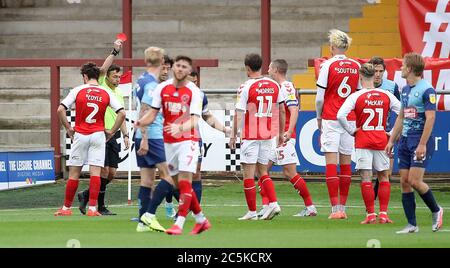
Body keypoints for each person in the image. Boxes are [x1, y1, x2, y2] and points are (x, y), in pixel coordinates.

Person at [136, 55, 212, 235]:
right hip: (169, 142)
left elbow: (195, 119)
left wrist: (181, 127)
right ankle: (201, 219)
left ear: (189, 71)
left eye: (184, 67)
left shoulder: (194, 91)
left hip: (188, 140)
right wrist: (141, 122)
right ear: (173, 68)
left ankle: (178, 223)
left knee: (185, 181)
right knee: (178, 183)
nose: (179, 69)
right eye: (177, 65)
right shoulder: (162, 88)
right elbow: (153, 113)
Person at [54, 62, 126, 217]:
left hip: (80, 134)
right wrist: (112, 131)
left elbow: (60, 109)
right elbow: (122, 113)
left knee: (74, 173)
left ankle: (66, 208)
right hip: (98, 135)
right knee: (95, 173)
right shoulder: (106, 92)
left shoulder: (77, 90)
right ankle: (93, 209)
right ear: (98, 76)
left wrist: (68, 128)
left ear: (85, 76)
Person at [385, 53, 444, 234]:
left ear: (410, 69)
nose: (401, 68)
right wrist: (391, 140)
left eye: (403, 65)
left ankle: (436, 210)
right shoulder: (405, 89)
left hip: (419, 140)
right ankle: (412, 224)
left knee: (415, 180)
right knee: (404, 181)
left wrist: (422, 144)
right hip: (404, 140)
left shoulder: (427, 90)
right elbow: (401, 117)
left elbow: (431, 117)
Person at [337, 63, 400, 224]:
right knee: (384, 176)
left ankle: (370, 215)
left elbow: (340, 115)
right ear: (375, 77)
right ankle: (384, 214)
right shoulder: (386, 94)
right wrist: (392, 132)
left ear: (360, 77)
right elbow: (403, 112)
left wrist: (352, 130)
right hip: (381, 139)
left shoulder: (356, 96)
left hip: (363, 139)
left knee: (366, 177)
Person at [257, 59, 317, 218]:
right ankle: (267, 205)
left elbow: (294, 109)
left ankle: (310, 207)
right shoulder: (279, 87)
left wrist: (288, 132)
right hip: (275, 137)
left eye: (270, 67)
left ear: (275, 69)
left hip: (283, 138)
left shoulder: (286, 87)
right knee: (262, 170)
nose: (268, 70)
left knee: (289, 173)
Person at [229, 53, 285, 221]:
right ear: (261, 66)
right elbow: (282, 110)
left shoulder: (246, 86)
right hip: (268, 134)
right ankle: (273, 203)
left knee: (248, 174)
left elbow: (239, 113)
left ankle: (252, 212)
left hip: (251, 135)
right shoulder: (274, 85)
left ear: (247, 68)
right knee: (263, 171)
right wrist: (281, 133)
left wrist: (233, 135)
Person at [77, 39, 130, 216]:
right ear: (106, 77)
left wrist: (125, 135)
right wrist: (115, 51)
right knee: (103, 170)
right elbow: (103, 68)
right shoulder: (101, 86)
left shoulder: (119, 93)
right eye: (114, 76)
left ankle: (85, 194)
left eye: (119, 76)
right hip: (100, 133)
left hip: (113, 134)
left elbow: (120, 116)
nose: (117, 79)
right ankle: (99, 206)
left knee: (112, 173)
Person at [315, 29, 360, 219]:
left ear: (332, 47)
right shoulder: (356, 65)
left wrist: (319, 118)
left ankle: (335, 210)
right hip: (349, 119)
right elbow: (358, 95)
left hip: (331, 118)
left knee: (331, 164)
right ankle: (344, 207)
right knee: (346, 164)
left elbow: (319, 98)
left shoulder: (327, 65)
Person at [133, 47, 173, 233]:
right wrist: (145, 139)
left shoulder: (140, 80)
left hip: (142, 135)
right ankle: (149, 215)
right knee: (169, 177)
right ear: (161, 60)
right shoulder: (151, 84)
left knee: (147, 182)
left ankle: (142, 223)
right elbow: (144, 110)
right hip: (152, 135)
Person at [367, 56, 401, 199]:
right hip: (366, 133)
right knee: (366, 172)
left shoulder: (391, 87)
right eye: (375, 71)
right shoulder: (363, 85)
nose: (378, 74)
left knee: (386, 172)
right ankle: (370, 203)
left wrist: (394, 132)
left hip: (384, 134)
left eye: (381, 71)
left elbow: (401, 111)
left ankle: (376, 202)